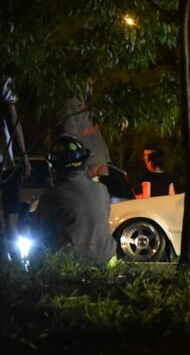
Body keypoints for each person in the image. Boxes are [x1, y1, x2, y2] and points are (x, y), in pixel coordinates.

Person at [34, 135, 116, 265]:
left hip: (73, 267)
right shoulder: (102, 189)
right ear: (84, 162)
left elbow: (38, 232)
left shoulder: (51, 196)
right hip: (107, 262)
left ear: (54, 167)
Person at [1, 76, 32, 259]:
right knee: (10, 218)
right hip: (5, 164)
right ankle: (15, 269)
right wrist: (24, 156)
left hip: (6, 164)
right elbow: (13, 119)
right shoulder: (4, 82)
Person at [57, 81, 111, 177]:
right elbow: (70, 141)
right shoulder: (70, 108)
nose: (90, 87)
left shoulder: (88, 107)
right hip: (89, 170)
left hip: (99, 165)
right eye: (88, 83)